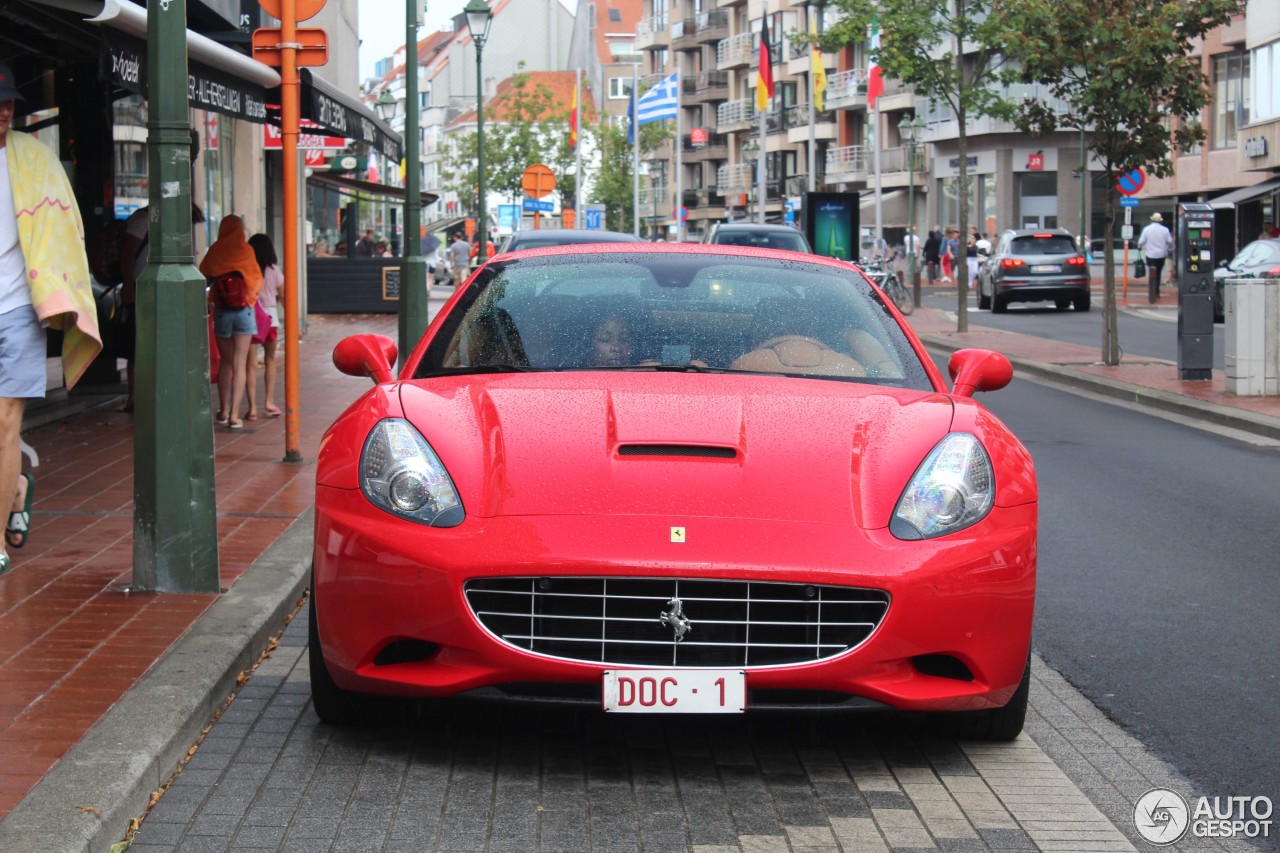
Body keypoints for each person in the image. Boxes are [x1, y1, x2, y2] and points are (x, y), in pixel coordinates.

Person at [1, 64, 102, 575]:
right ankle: (17, 486)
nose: (4, 111)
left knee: (5, 422)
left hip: (19, 308)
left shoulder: (36, 160)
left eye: (10, 104)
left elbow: (67, 229)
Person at [119, 194, 205, 413]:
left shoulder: (172, 224)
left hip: (165, 290)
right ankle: (135, 398)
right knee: (137, 346)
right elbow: (127, 254)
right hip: (142, 289)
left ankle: (159, 394)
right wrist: (129, 288)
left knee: (162, 343)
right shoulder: (143, 220)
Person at [200, 215, 263, 430]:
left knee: (226, 363)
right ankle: (236, 416)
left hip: (222, 312)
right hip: (244, 311)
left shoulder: (216, 250)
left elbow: (203, 274)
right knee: (240, 363)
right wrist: (249, 298)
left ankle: (223, 411)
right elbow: (256, 280)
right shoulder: (246, 250)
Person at [245, 233, 282, 421]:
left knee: (250, 365)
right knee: (270, 360)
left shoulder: (246, 269)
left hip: (251, 318)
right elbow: (284, 296)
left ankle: (251, 408)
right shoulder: (274, 270)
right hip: (271, 319)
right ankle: (269, 403)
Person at [1138, 212, 1174, 302]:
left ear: (1152, 219)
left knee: (1151, 273)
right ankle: (1157, 291)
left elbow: (1141, 242)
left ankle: (1152, 291)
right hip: (1161, 255)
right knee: (1158, 273)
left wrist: (1140, 247)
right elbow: (1170, 241)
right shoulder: (1165, 230)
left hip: (1150, 255)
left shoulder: (1146, 229)